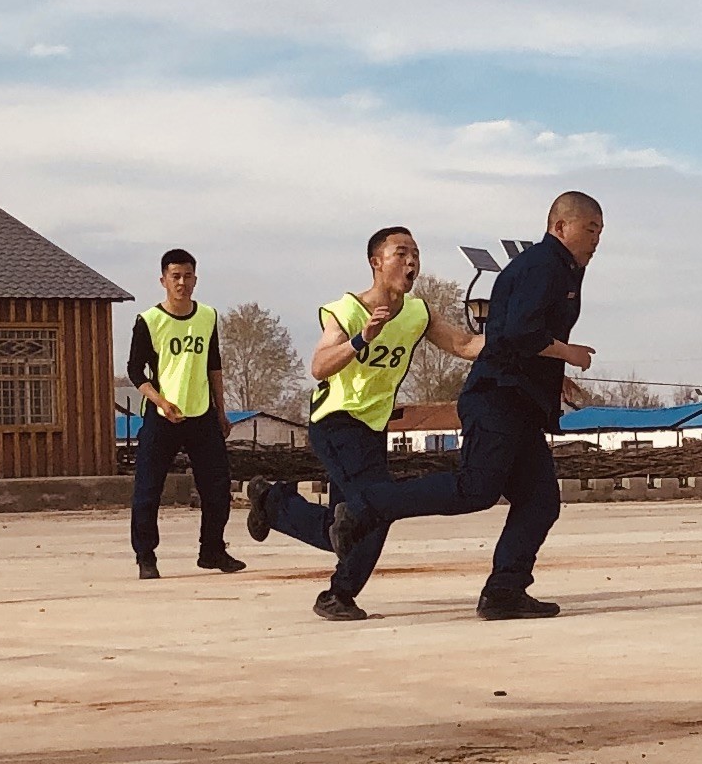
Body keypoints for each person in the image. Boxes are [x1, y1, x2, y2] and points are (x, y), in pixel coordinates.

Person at [333, 191, 603, 620]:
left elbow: (518, 339)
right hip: (498, 399)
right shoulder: (543, 266)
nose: (596, 240)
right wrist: (567, 353)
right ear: (560, 227)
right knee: (475, 489)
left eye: (600, 232)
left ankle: (504, 592)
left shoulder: (562, 269)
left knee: (539, 500)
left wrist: (556, 373)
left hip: (520, 400)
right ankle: (368, 505)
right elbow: (517, 333)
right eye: (590, 229)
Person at [246, 225, 479, 620]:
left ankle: (273, 503)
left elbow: (464, 345)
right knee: (376, 508)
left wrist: (520, 343)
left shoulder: (417, 313)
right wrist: (361, 340)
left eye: (416, 255)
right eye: (401, 253)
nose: (411, 262)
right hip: (337, 422)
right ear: (376, 262)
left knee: (348, 524)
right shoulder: (348, 310)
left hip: (372, 429)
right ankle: (337, 594)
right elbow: (319, 366)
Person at [125, 250, 246, 578]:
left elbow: (214, 366)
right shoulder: (149, 321)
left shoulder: (207, 316)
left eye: (188, 276)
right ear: (163, 280)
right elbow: (136, 372)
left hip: (201, 415)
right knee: (148, 489)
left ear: (196, 278)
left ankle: (212, 550)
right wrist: (161, 402)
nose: (182, 282)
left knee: (218, 487)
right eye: (175, 276)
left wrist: (222, 411)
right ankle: (146, 557)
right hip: (162, 416)